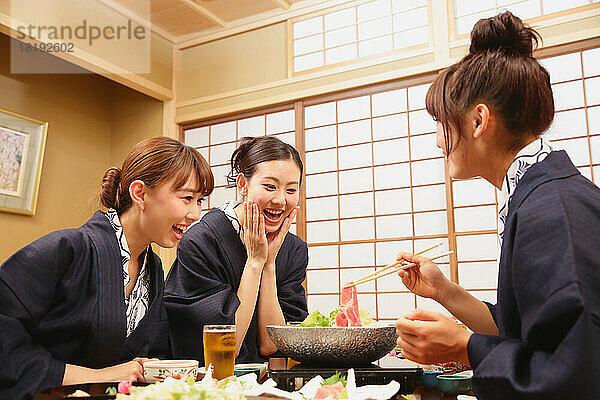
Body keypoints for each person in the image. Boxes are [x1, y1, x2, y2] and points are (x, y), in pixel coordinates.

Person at [394, 11, 600, 399]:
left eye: (441, 123)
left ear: (478, 120)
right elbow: (522, 330)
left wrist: (464, 347)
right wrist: (444, 291)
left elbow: (577, 373)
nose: (439, 142)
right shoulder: (535, 195)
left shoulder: (553, 211)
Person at [0, 137, 214, 399]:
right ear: (140, 194)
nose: (195, 213)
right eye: (187, 198)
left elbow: (130, 368)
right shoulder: (68, 248)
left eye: (200, 200)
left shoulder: (153, 268)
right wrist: (97, 376)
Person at [165, 135, 308, 363]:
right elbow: (223, 348)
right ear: (242, 184)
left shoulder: (294, 249)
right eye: (270, 186)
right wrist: (254, 262)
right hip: (211, 383)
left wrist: (269, 265)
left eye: (291, 190)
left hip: (268, 383)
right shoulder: (201, 241)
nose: (281, 200)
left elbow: (272, 344)